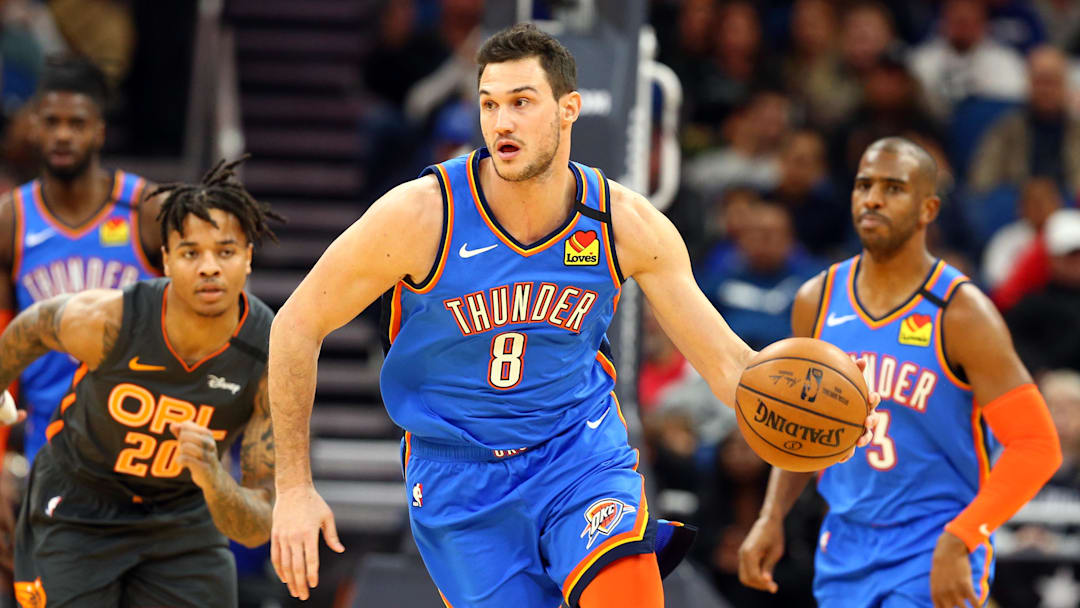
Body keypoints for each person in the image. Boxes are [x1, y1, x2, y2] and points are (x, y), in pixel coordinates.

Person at [268, 24, 878, 608]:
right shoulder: (421, 215)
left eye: (522, 102)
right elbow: (296, 325)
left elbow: (730, 365)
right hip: (459, 472)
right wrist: (293, 488)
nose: (501, 123)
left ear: (569, 108)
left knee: (630, 588)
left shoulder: (624, 225)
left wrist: (816, 407)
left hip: (577, 452)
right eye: (489, 104)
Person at [738, 137, 1062, 608]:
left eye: (893, 188)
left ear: (928, 208)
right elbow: (801, 428)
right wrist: (772, 515)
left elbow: (1037, 445)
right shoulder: (818, 299)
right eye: (864, 184)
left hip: (932, 549)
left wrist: (963, 536)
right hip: (845, 545)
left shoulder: (960, 311)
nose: (872, 198)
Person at [3, 158, 281, 607]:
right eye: (191, 252)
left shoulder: (270, 356)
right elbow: (33, 326)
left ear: (248, 257)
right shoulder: (110, 319)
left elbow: (256, 526)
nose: (209, 267)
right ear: (166, 259)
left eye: (225, 251)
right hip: (79, 505)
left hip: (184, 516)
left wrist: (214, 479)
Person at [0, 55, 164, 465]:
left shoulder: (146, 209)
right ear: (34, 127)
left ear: (99, 131)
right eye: (52, 122)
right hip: (49, 444)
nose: (62, 135)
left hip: (141, 442)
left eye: (76, 124)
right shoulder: (12, 219)